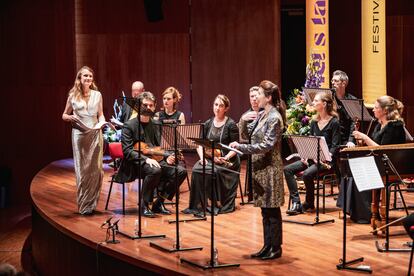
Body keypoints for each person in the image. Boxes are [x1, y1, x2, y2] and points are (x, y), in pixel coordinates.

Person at [230, 80, 286, 260]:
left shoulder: (274, 117)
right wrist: (242, 122)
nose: (257, 98)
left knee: (272, 210)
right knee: (264, 210)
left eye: (260, 94)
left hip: (270, 169)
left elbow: (266, 145)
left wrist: (241, 148)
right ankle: (267, 245)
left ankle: (276, 248)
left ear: (268, 98)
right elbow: (248, 137)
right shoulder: (262, 115)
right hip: (260, 168)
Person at [115, 92, 187, 217]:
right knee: (155, 170)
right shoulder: (129, 125)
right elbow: (127, 151)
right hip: (135, 163)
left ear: (154, 107)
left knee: (180, 171)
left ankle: (159, 202)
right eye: (145, 105)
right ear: (138, 106)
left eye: (151, 105)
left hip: (156, 160)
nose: (148, 108)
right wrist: (146, 160)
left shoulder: (156, 124)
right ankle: (144, 204)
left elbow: (162, 147)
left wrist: (168, 156)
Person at [284, 91, 341, 215]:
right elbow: (310, 142)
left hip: (327, 161)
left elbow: (335, 146)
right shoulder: (314, 122)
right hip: (312, 158)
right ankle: (296, 202)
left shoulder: (334, 122)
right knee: (287, 170)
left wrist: (325, 157)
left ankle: (309, 203)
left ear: (324, 104)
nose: (313, 103)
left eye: (316, 101)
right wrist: (305, 155)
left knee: (307, 174)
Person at [182, 95, 240, 215]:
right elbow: (199, 144)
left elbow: (235, 148)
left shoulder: (231, 124)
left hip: (227, 160)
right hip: (210, 158)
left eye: (221, 105)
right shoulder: (208, 123)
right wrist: (202, 158)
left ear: (226, 108)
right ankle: (198, 205)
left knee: (213, 171)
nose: (217, 108)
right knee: (197, 168)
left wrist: (226, 157)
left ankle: (215, 203)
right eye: (216, 104)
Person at [62, 66, 105, 215]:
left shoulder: (97, 95)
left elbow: (101, 114)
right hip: (80, 135)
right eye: (85, 76)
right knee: (83, 170)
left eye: (90, 76)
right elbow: (64, 115)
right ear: (79, 78)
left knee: (97, 171)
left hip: (95, 134)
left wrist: (101, 123)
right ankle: (83, 205)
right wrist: (70, 117)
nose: (88, 78)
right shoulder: (73, 95)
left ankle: (91, 204)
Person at [331, 70, 357, 147]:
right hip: (330, 139)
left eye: (336, 81)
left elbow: (354, 122)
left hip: (345, 140)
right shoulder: (329, 98)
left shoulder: (352, 100)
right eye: (332, 80)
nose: (332, 83)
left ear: (344, 83)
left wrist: (351, 140)